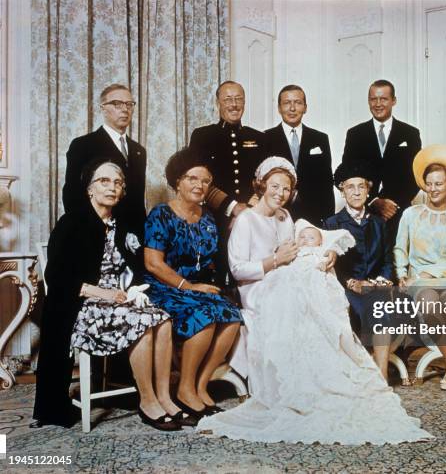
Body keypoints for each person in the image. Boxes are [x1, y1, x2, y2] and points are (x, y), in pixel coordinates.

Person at [196, 157, 433, 445]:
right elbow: (237, 270)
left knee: (315, 290)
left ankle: (325, 374)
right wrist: (274, 261)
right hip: (256, 286)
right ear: (261, 185)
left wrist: (328, 254)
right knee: (299, 296)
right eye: (274, 186)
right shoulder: (245, 220)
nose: (280, 193)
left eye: (286, 189)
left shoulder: (285, 217)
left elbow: (303, 250)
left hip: (287, 277)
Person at [33, 160, 184, 431]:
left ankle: (163, 397)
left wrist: (133, 291)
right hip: (81, 306)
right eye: (104, 181)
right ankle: (147, 401)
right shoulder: (72, 223)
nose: (112, 187)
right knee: (144, 322)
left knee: (162, 318)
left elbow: (131, 268)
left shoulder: (120, 225)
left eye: (117, 183)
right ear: (90, 189)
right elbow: (56, 277)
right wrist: (104, 293)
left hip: (117, 302)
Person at [144, 149, 242, 418]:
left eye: (206, 181)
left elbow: (209, 261)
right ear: (177, 181)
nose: (200, 185)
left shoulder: (209, 217)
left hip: (195, 287)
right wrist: (188, 287)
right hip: (163, 287)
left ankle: (200, 384)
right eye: (192, 178)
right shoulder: (160, 214)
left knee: (232, 315)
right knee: (204, 314)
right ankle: (185, 387)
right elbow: (153, 263)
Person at [394, 145, 446, 390]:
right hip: (419, 282)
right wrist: (401, 275)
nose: (433, 189)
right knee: (429, 304)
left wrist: (427, 274)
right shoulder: (411, 214)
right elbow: (400, 249)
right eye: (429, 183)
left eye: (439, 184)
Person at [188, 80, 269, 283]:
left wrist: (248, 209)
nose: (234, 104)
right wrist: (233, 208)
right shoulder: (202, 136)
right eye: (228, 99)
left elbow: (265, 179)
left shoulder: (259, 137)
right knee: (216, 276)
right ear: (218, 103)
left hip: (253, 216)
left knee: (250, 274)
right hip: (214, 218)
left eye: (238, 99)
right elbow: (198, 179)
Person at [323, 161, 396, 381]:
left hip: (376, 285)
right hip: (346, 288)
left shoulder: (379, 223)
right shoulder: (332, 224)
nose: (356, 192)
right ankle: (363, 368)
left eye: (361, 187)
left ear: (368, 189)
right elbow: (331, 265)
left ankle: (381, 374)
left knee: (383, 302)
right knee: (359, 306)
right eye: (350, 187)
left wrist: (381, 281)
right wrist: (351, 283)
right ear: (342, 191)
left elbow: (387, 259)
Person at [341, 79, 421, 242]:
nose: (378, 104)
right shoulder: (355, 134)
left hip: (400, 211)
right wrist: (374, 200)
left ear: (394, 101)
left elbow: (417, 174)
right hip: (364, 210)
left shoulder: (410, 133)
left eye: (383, 99)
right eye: (373, 99)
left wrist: (393, 204)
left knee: (397, 262)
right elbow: (346, 172)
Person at [62, 84, 146, 235]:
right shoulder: (83, 145)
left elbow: (138, 200)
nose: (124, 109)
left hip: (132, 236)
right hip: (94, 232)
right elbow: (72, 194)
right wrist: (92, 230)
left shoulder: (139, 150)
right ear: (103, 109)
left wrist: (140, 234)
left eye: (129, 104)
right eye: (116, 104)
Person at [265, 84, 335, 225]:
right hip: (276, 214)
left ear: (305, 107)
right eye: (286, 103)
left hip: (313, 216)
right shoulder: (265, 138)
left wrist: (328, 219)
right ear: (279, 108)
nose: (292, 108)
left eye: (298, 103)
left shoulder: (320, 138)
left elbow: (327, 182)